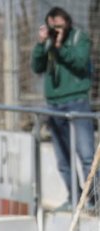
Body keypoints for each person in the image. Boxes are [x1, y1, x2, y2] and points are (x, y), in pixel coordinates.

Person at [30, 6, 96, 211]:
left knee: (86, 155)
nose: (56, 29)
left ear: (67, 22)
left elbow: (79, 63)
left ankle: (96, 198)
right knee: (63, 157)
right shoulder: (47, 42)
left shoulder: (79, 38)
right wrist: (42, 45)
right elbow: (36, 67)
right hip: (54, 104)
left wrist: (59, 47)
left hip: (77, 102)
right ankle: (74, 197)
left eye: (59, 25)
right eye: (52, 26)